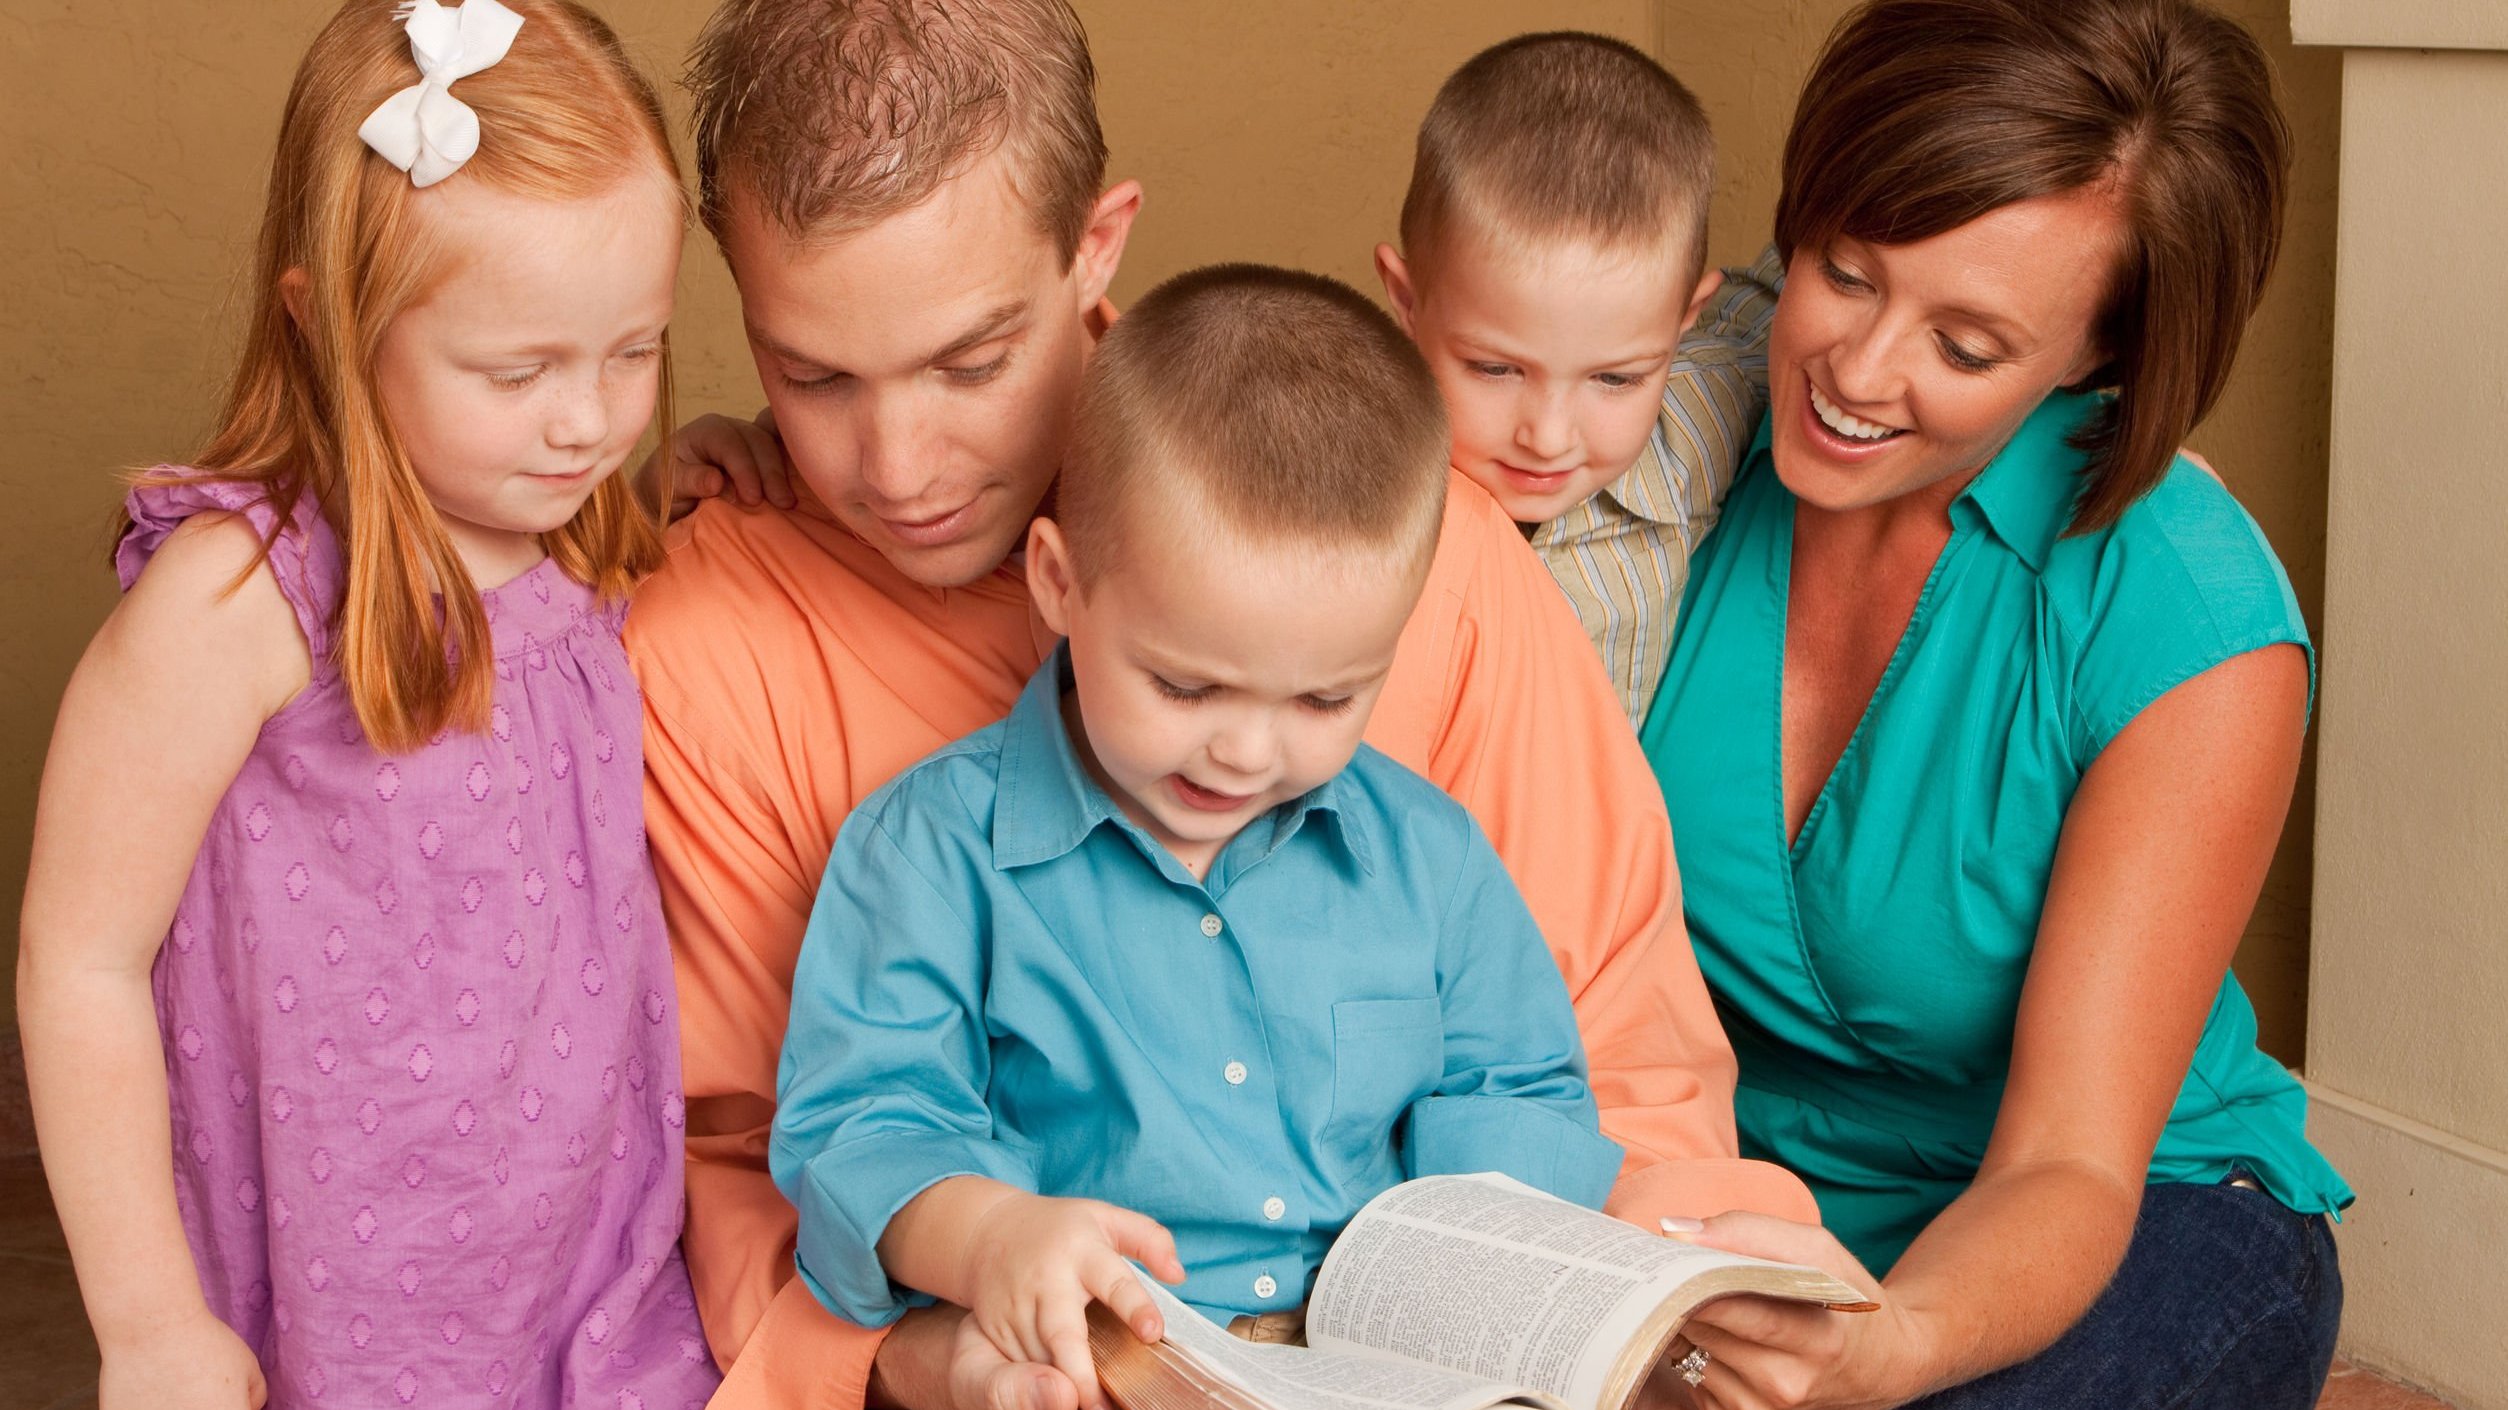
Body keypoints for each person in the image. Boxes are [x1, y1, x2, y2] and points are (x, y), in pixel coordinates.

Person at [632, 3, 1813, 1408]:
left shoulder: (1421, 549)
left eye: (971, 360)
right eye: (812, 375)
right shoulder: (701, 649)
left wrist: (1673, 1317)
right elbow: (740, 1162)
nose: (895, 465)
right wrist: (929, 1357)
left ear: (1099, 241)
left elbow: (1617, 1046)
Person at [1634, 2, 2350, 1405]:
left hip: (2123, 1215)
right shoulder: (1665, 432)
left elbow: (2067, 1161)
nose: (1855, 368)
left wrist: (1888, 1344)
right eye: (1843, 269)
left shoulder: (2187, 622)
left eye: (1966, 347)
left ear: (2097, 355)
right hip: (1739, 1200)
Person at [15, 2, 721, 1405]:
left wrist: (719, 455)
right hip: (356, 1287)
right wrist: (149, 1322)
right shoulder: (242, 595)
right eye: (518, 371)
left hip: (590, 1257)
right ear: (330, 324)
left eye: (631, 349)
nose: (587, 419)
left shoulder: (578, 527)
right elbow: (79, 954)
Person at [773, 266, 1625, 1409]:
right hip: (1105, 1363)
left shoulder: (1427, 857)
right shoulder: (930, 849)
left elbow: (1517, 1087)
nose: (1243, 754)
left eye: (1324, 702)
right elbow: (865, 1122)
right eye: (1184, 685)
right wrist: (990, 1239)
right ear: (1060, 584)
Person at [1375, 33, 1776, 722]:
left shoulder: (1702, 417)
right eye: (1495, 369)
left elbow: (1774, 305)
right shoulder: (1352, 495)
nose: (1549, 437)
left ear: (1683, 323)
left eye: (1616, 380)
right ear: (1407, 305)